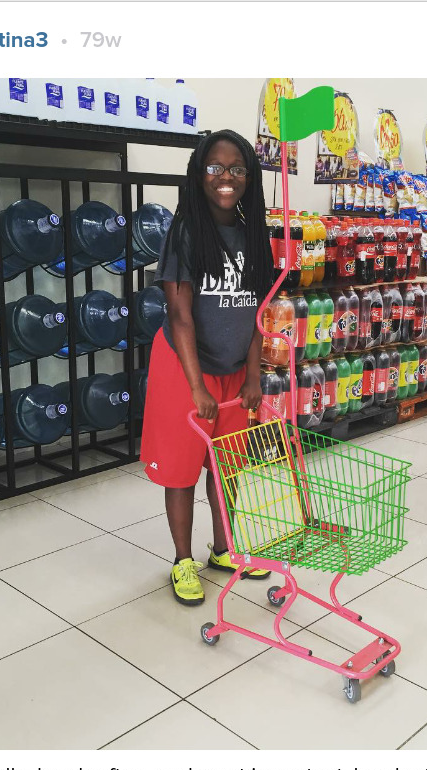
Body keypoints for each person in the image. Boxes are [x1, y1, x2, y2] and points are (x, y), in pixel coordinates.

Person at [140, 129, 274, 606]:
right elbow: (179, 316)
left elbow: (260, 311)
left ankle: (224, 549)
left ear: (249, 177)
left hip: (235, 372)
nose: (226, 177)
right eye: (215, 167)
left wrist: (255, 375)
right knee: (182, 470)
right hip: (185, 370)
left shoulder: (254, 233)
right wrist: (197, 387)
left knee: (226, 467)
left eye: (237, 168)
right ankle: (182, 559)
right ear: (198, 174)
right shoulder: (186, 232)